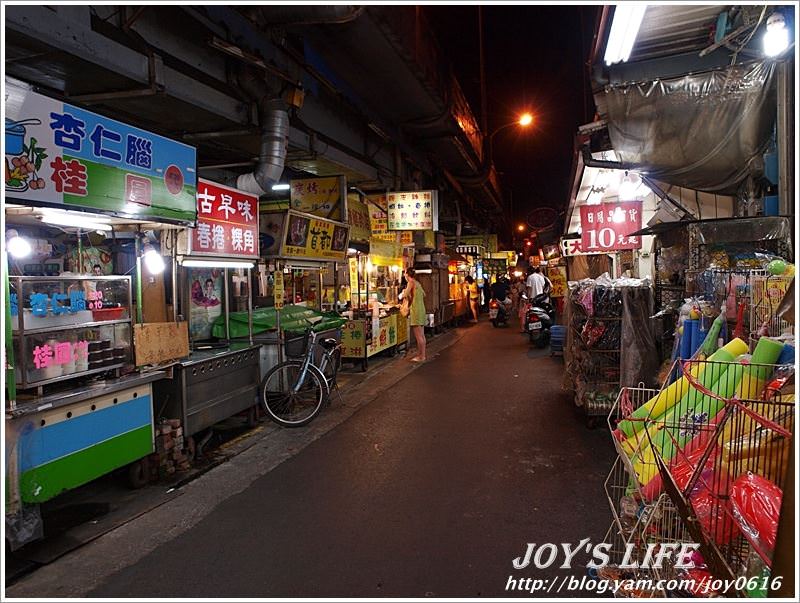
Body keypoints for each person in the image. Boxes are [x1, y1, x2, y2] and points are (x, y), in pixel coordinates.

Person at [404, 268, 427, 362]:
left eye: (405, 273)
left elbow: (405, 294)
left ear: (407, 274)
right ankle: (422, 355)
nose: (404, 275)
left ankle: (421, 357)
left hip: (416, 310)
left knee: (418, 335)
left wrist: (407, 296)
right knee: (422, 334)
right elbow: (424, 294)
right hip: (421, 308)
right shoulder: (417, 283)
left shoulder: (411, 282)